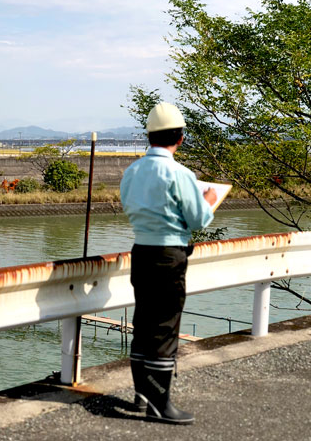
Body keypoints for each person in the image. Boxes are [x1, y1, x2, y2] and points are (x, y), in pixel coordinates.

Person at [120, 102, 217, 425]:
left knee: (144, 323)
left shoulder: (132, 171)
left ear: (149, 136)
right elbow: (198, 218)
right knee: (164, 326)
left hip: (141, 252)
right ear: (180, 137)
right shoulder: (180, 174)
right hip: (169, 254)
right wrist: (210, 200)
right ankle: (160, 405)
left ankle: (141, 395)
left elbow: (128, 206)